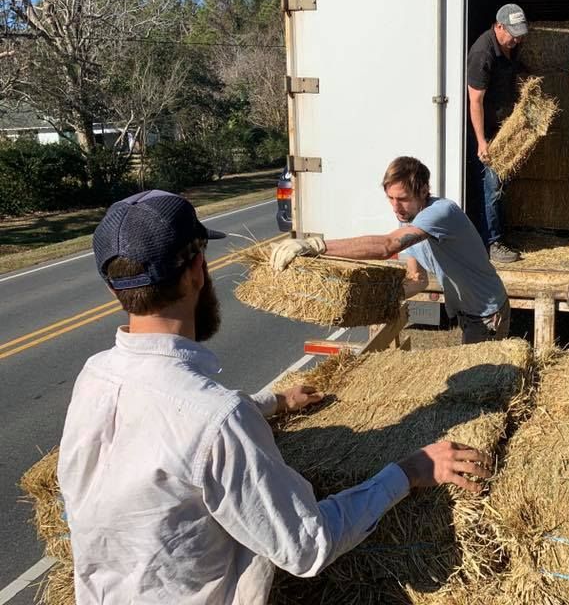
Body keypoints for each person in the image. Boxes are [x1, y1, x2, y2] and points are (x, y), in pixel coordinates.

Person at [58, 189, 492, 605]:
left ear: (115, 290)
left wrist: (275, 402)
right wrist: (409, 470)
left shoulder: (93, 377)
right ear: (196, 272)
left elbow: (169, 420)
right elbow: (306, 546)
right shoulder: (216, 420)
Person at [271, 157, 511, 345]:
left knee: (478, 393)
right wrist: (371, 301)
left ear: (424, 190)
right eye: (390, 198)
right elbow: (417, 279)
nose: (396, 207)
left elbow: (387, 246)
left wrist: (316, 246)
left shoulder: (442, 212)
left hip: (487, 314)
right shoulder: (407, 219)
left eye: (403, 198)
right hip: (468, 313)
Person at [465, 3, 528, 264]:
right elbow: (475, 100)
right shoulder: (483, 52)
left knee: (500, 185)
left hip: (504, 126)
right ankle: (491, 243)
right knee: (490, 186)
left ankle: (498, 234)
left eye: (521, 33)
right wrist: (481, 141)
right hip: (486, 130)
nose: (517, 38)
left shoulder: (512, 46)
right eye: (513, 33)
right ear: (498, 26)